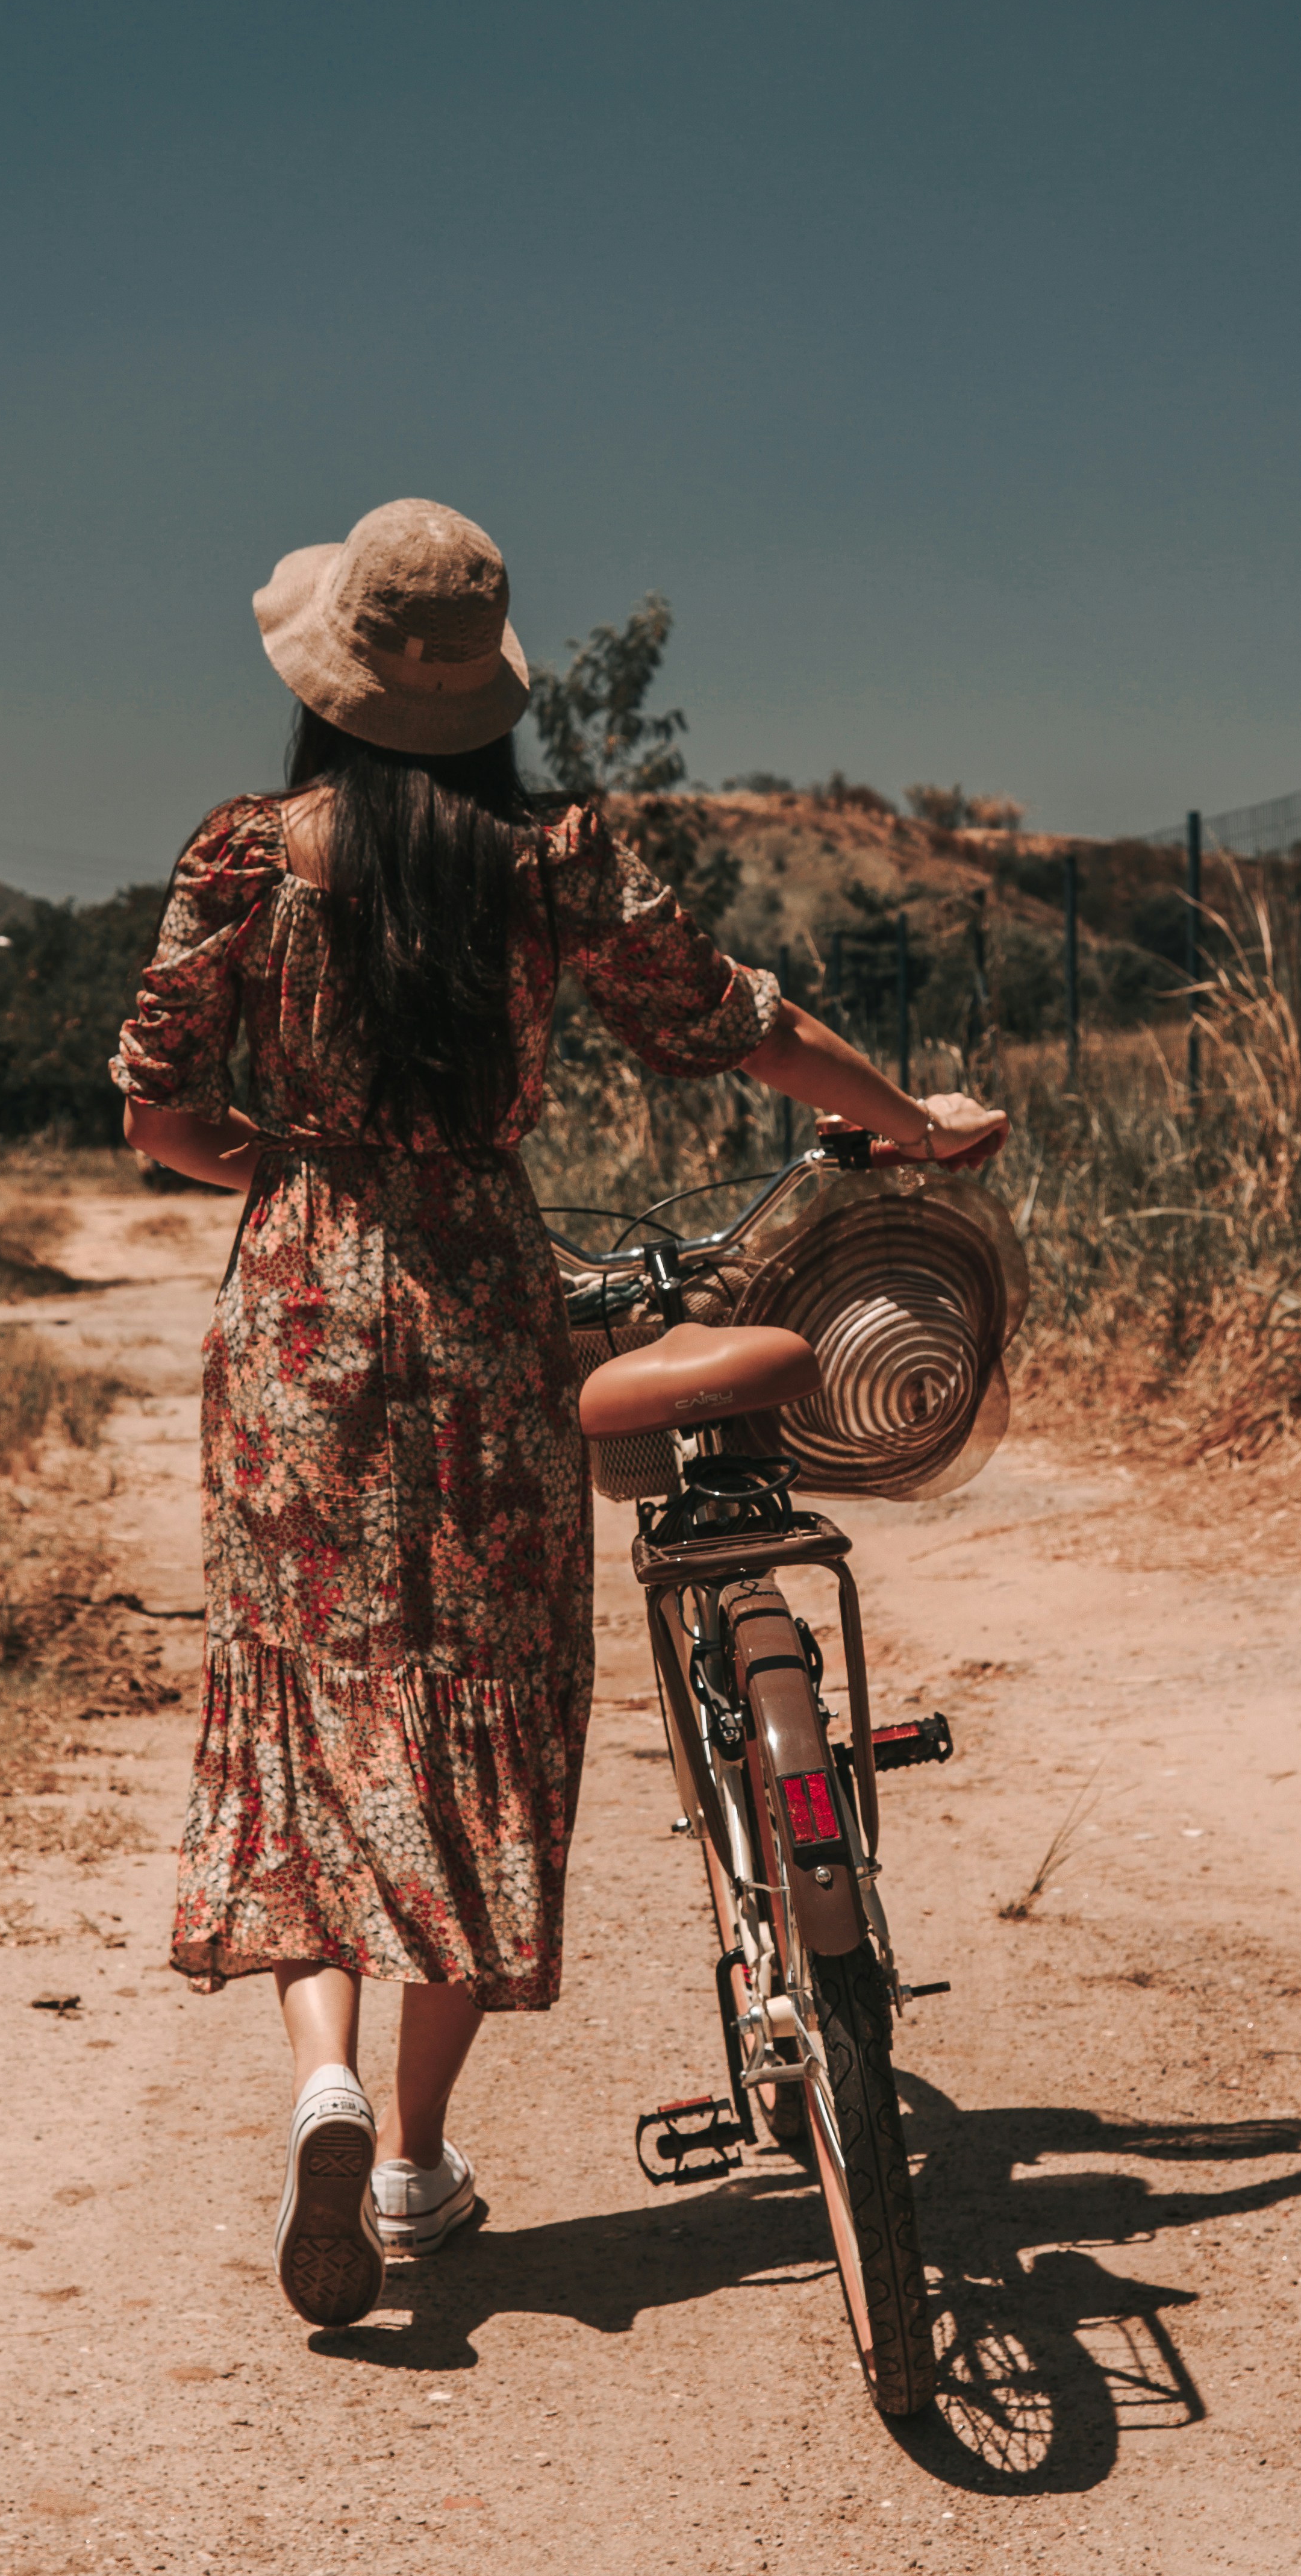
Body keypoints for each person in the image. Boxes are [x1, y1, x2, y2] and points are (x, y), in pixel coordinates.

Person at [110, 498, 1005, 2331]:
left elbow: (155, 1112)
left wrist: (278, 1168)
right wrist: (905, 1123)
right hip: (482, 1300)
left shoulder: (242, 854)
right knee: (479, 1706)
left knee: (311, 1692)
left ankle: (326, 2092)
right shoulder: (552, 863)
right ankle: (423, 2159)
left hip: (296, 1310)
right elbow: (735, 1020)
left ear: (328, 675)